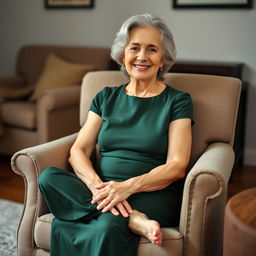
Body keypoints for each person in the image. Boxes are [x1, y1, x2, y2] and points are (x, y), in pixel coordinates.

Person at [38, 13, 193, 256]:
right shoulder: (105, 97)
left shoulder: (177, 101)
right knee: (48, 177)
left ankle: (123, 215)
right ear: (123, 55)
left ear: (163, 59)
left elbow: (178, 165)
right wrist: (99, 187)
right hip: (101, 188)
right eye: (134, 48)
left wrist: (127, 188)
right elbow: (79, 151)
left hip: (152, 192)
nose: (142, 57)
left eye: (152, 49)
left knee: (109, 224)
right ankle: (135, 220)